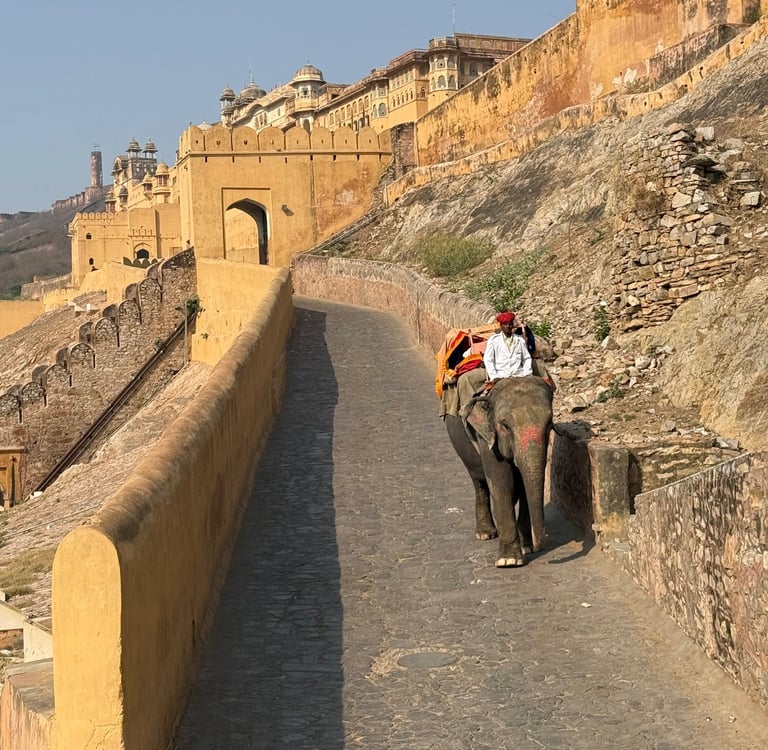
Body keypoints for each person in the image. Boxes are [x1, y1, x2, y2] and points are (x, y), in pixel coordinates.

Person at [483, 311, 532, 383]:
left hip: (519, 375)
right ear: (501, 326)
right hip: (501, 376)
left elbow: (526, 358)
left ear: (512, 325)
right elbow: (488, 360)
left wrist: (527, 373)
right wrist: (494, 377)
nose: (508, 326)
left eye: (510, 324)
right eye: (505, 324)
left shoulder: (520, 340)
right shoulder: (493, 340)